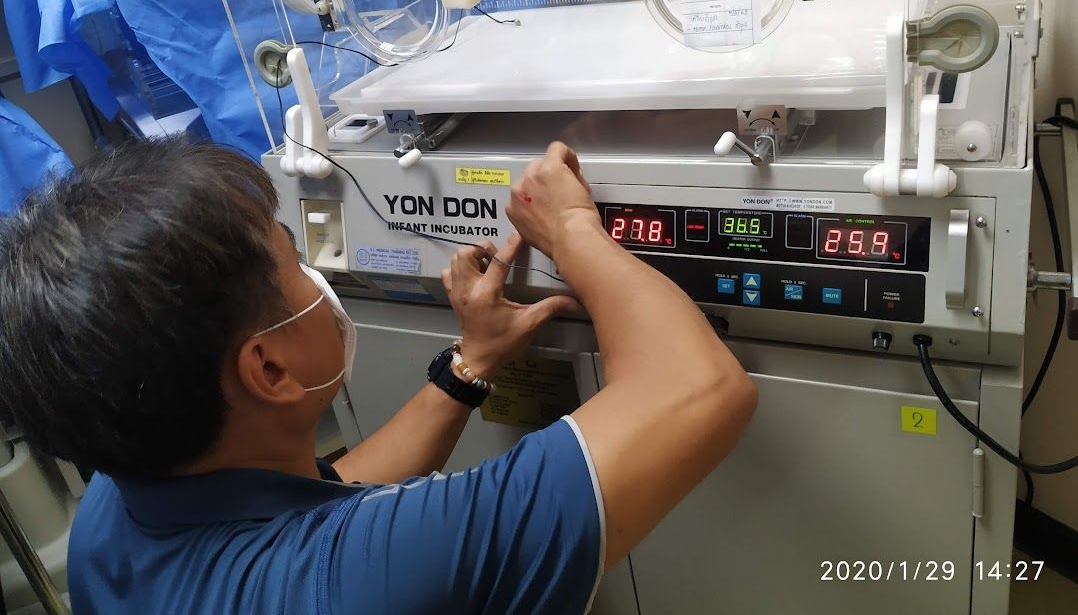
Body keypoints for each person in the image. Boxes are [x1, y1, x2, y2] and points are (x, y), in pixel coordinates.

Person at [0, 137, 757, 614]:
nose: (311, 274)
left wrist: (471, 364)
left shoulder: (114, 506)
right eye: (296, 261)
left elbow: (328, 498)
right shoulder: (373, 576)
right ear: (267, 365)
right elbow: (698, 385)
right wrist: (569, 230)